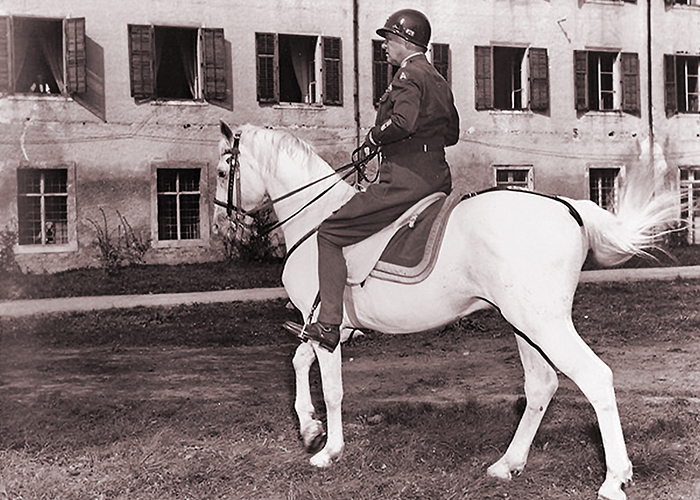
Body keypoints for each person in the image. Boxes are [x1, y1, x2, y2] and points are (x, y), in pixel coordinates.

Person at [303, 8, 460, 352]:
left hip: (404, 182)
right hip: (437, 178)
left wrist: (375, 138)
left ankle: (329, 324)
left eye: (388, 40)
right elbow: (452, 134)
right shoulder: (437, 78)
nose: (384, 47)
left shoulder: (406, 76)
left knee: (329, 233)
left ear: (406, 41)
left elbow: (401, 123)